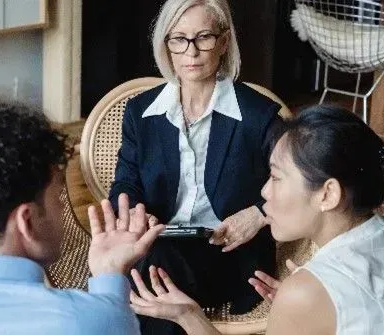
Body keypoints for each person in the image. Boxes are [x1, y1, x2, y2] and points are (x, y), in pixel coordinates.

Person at [129, 105, 384, 335]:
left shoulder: (306, 293)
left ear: (327, 194)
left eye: (277, 177)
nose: (264, 191)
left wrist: (188, 315)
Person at [109, 0, 283, 332]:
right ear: (167, 45)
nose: (191, 52)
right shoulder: (140, 113)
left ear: (224, 41)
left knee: (147, 274)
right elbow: (125, 184)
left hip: (230, 253)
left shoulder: (258, 116)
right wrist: (134, 212)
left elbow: (299, 182)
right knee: (150, 263)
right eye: (179, 39)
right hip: (159, 242)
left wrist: (259, 214)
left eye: (203, 37)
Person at [0, 104, 165, 335]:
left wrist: (109, 274)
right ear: (28, 221)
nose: (62, 208)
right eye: (57, 198)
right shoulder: (85, 320)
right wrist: (110, 292)